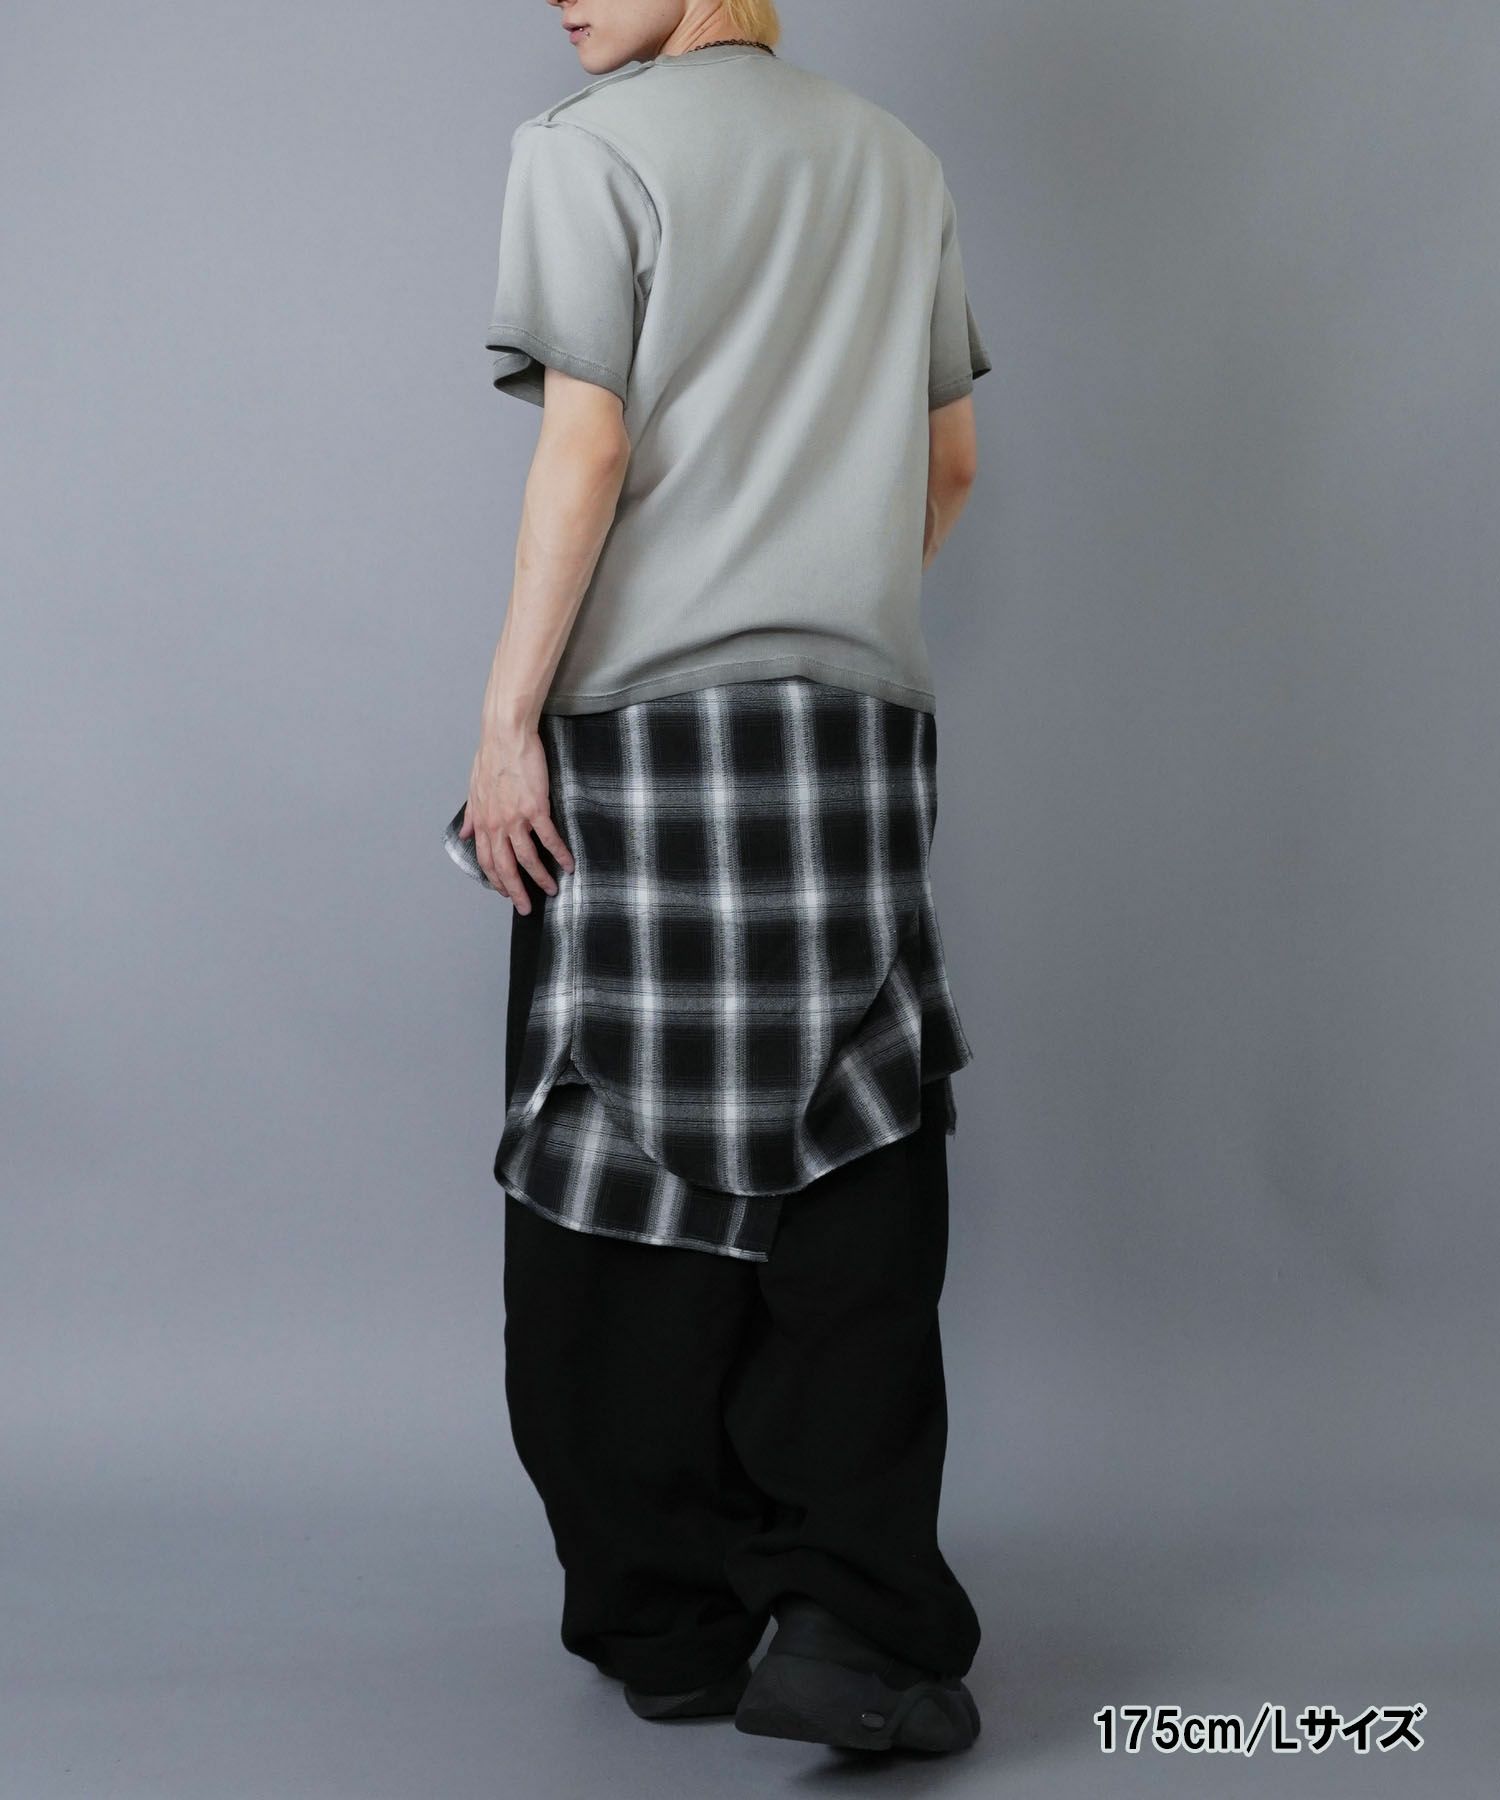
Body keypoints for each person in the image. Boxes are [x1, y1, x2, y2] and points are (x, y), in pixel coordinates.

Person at [458, 0, 992, 1757]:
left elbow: (588, 444)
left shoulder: (586, 153)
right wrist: (817, 596)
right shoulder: (898, 163)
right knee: (856, 1159)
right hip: (857, 736)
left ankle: (671, 1621)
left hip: (648, 734)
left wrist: (508, 724)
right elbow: (948, 463)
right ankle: (853, 1616)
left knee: (613, 1166)